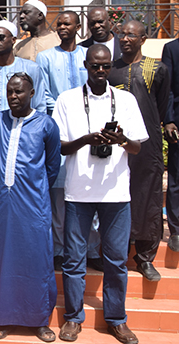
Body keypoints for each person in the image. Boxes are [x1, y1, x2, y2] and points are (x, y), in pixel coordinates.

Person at [54, 44, 146, 344]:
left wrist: (120, 139)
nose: (101, 71)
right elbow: (60, 147)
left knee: (117, 260)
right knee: (73, 259)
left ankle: (116, 319)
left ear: (111, 67)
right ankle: (73, 318)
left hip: (116, 193)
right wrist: (86, 139)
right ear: (86, 65)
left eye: (105, 66)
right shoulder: (67, 100)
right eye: (95, 66)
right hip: (78, 192)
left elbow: (137, 147)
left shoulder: (126, 100)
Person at [0, 73, 60, 342]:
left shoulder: (46, 125)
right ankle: (3, 318)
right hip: (3, 206)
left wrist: (32, 188)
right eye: (9, 91)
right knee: (3, 260)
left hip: (34, 205)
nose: (13, 96)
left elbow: (52, 166)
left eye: (19, 92)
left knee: (37, 260)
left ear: (32, 93)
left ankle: (39, 320)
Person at [36, 11, 99, 271]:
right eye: (59, 23)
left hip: (91, 132)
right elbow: (44, 94)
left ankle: (94, 250)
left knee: (93, 191)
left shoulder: (89, 56)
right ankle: (60, 250)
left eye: (67, 23)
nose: (62, 27)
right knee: (59, 198)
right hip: (59, 131)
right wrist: (65, 108)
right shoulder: (46, 57)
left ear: (78, 26)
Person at [108, 20, 170, 282]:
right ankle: (116, 253)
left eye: (131, 35)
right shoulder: (111, 71)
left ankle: (145, 257)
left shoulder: (158, 69)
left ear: (143, 39)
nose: (125, 38)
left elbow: (163, 106)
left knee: (148, 196)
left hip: (148, 144)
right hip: (117, 145)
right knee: (117, 195)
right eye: (122, 34)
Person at [0, 20, 47, 118]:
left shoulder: (31, 68)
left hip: (26, 127)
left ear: (13, 40)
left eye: (1, 37)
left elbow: (39, 104)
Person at [161, 31, 179, 252]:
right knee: (176, 176)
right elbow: (168, 89)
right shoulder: (172, 48)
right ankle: (176, 230)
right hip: (178, 121)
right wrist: (169, 120)